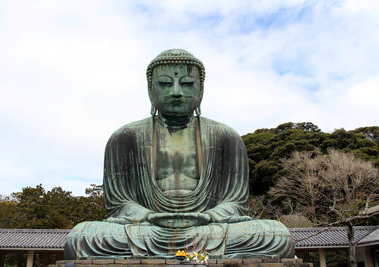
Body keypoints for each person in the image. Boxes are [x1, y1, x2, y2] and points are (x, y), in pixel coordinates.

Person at [64, 49, 295, 259]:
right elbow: (119, 204)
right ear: (149, 89)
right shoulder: (125, 138)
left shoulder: (226, 137)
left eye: (186, 83)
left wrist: (209, 216)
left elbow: (235, 203)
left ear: (201, 90)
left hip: (208, 228)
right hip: (147, 229)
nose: (175, 92)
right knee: (81, 237)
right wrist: (148, 216)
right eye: (164, 83)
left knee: (277, 235)